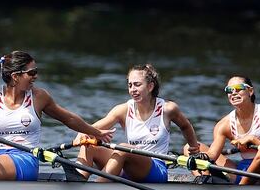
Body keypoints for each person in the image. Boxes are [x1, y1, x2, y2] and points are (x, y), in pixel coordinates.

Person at [0, 51, 115, 181]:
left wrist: (95, 132)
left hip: (25, 160)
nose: (35, 76)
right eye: (31, 73)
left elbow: (69, 119)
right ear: (15, 76)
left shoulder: (38, 97)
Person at [73, 64, 201, 183]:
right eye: (130, 85)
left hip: (156, 169)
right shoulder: (123, 110)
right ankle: (77, 183)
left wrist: (194, 148)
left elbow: (185, 126)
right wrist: (82, 133)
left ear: (150, 86)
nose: (132, 89)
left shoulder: (167, 109)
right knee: (88, 142)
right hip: (128, 166)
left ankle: (97, 189)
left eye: (137, 85)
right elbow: (93, 128)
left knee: (123, 148)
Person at [198, 76, 260, 185]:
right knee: (192, 147)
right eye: (229, 90)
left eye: (238, 88)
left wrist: (254, 141)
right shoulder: (223, 124)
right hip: (243, 170)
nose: (233, 93)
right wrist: (200, 157)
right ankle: (204, 181)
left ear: (250, 91)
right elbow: (212, 155)